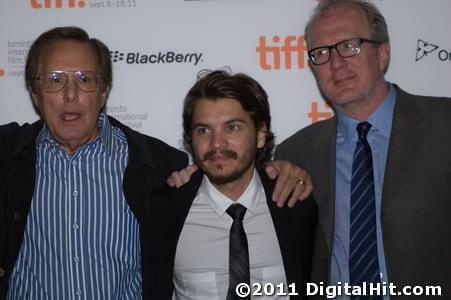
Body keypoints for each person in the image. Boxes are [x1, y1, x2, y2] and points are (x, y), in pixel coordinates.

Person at [0, 26, 312, 299]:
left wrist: (278, 170)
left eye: (85, 79)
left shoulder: (159, 166)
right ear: (35, 92)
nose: (70, 94)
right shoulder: (6, 157)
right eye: (55, 80)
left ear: (104, 90)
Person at [275, 0, 451, 299]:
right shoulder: (296, 153)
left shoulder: (443, 126)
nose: (336, 63)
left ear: (382, 54)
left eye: (350, 45)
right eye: (321, 53)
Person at [147, 70, 317, 299]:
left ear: (259, 135)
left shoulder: (294, 202)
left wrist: (298, 177)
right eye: (203, 130)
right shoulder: (164, 210)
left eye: (232, 127)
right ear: (190, 139)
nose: (217, 143)